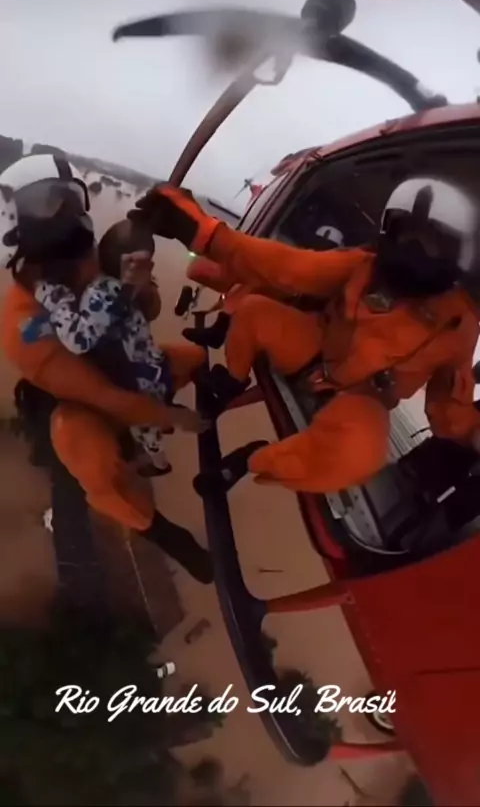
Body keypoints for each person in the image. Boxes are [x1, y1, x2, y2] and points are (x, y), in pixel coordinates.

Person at [127, 178, 480, 498]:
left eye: (431, 245)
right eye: (408, 236)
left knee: (359, 454)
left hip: (364, 397)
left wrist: (470, 430)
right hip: (316, 348)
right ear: (390, 233)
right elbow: (289, 267)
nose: (415, 251)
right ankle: (232, 380)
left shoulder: (457, 325)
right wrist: (204, 233)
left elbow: (447, 402)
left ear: (456, 255)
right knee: (254, 310)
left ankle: (252, 459)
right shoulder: (363, 266)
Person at [0, 154, 213, 584]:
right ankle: (161, 531)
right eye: (48, 205)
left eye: (69, 201)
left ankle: (150, 439)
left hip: (128, 369)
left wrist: (139, 287)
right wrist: (171, 415)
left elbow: (146, 312)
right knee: (86, 455)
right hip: (82, 402)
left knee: (195, 358)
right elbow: (103, 395)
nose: (66, 217)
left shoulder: (93, 262)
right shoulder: (22, 323)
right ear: (13, 225)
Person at [32, 219, 205, 477]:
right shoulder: (115, 286)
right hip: (149, 361)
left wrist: (57, 303)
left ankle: (159, 462)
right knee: (160, 394)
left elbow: (78, 340)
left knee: (144, 426)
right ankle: (164, 413)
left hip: (134, 376)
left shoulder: (101, 293)